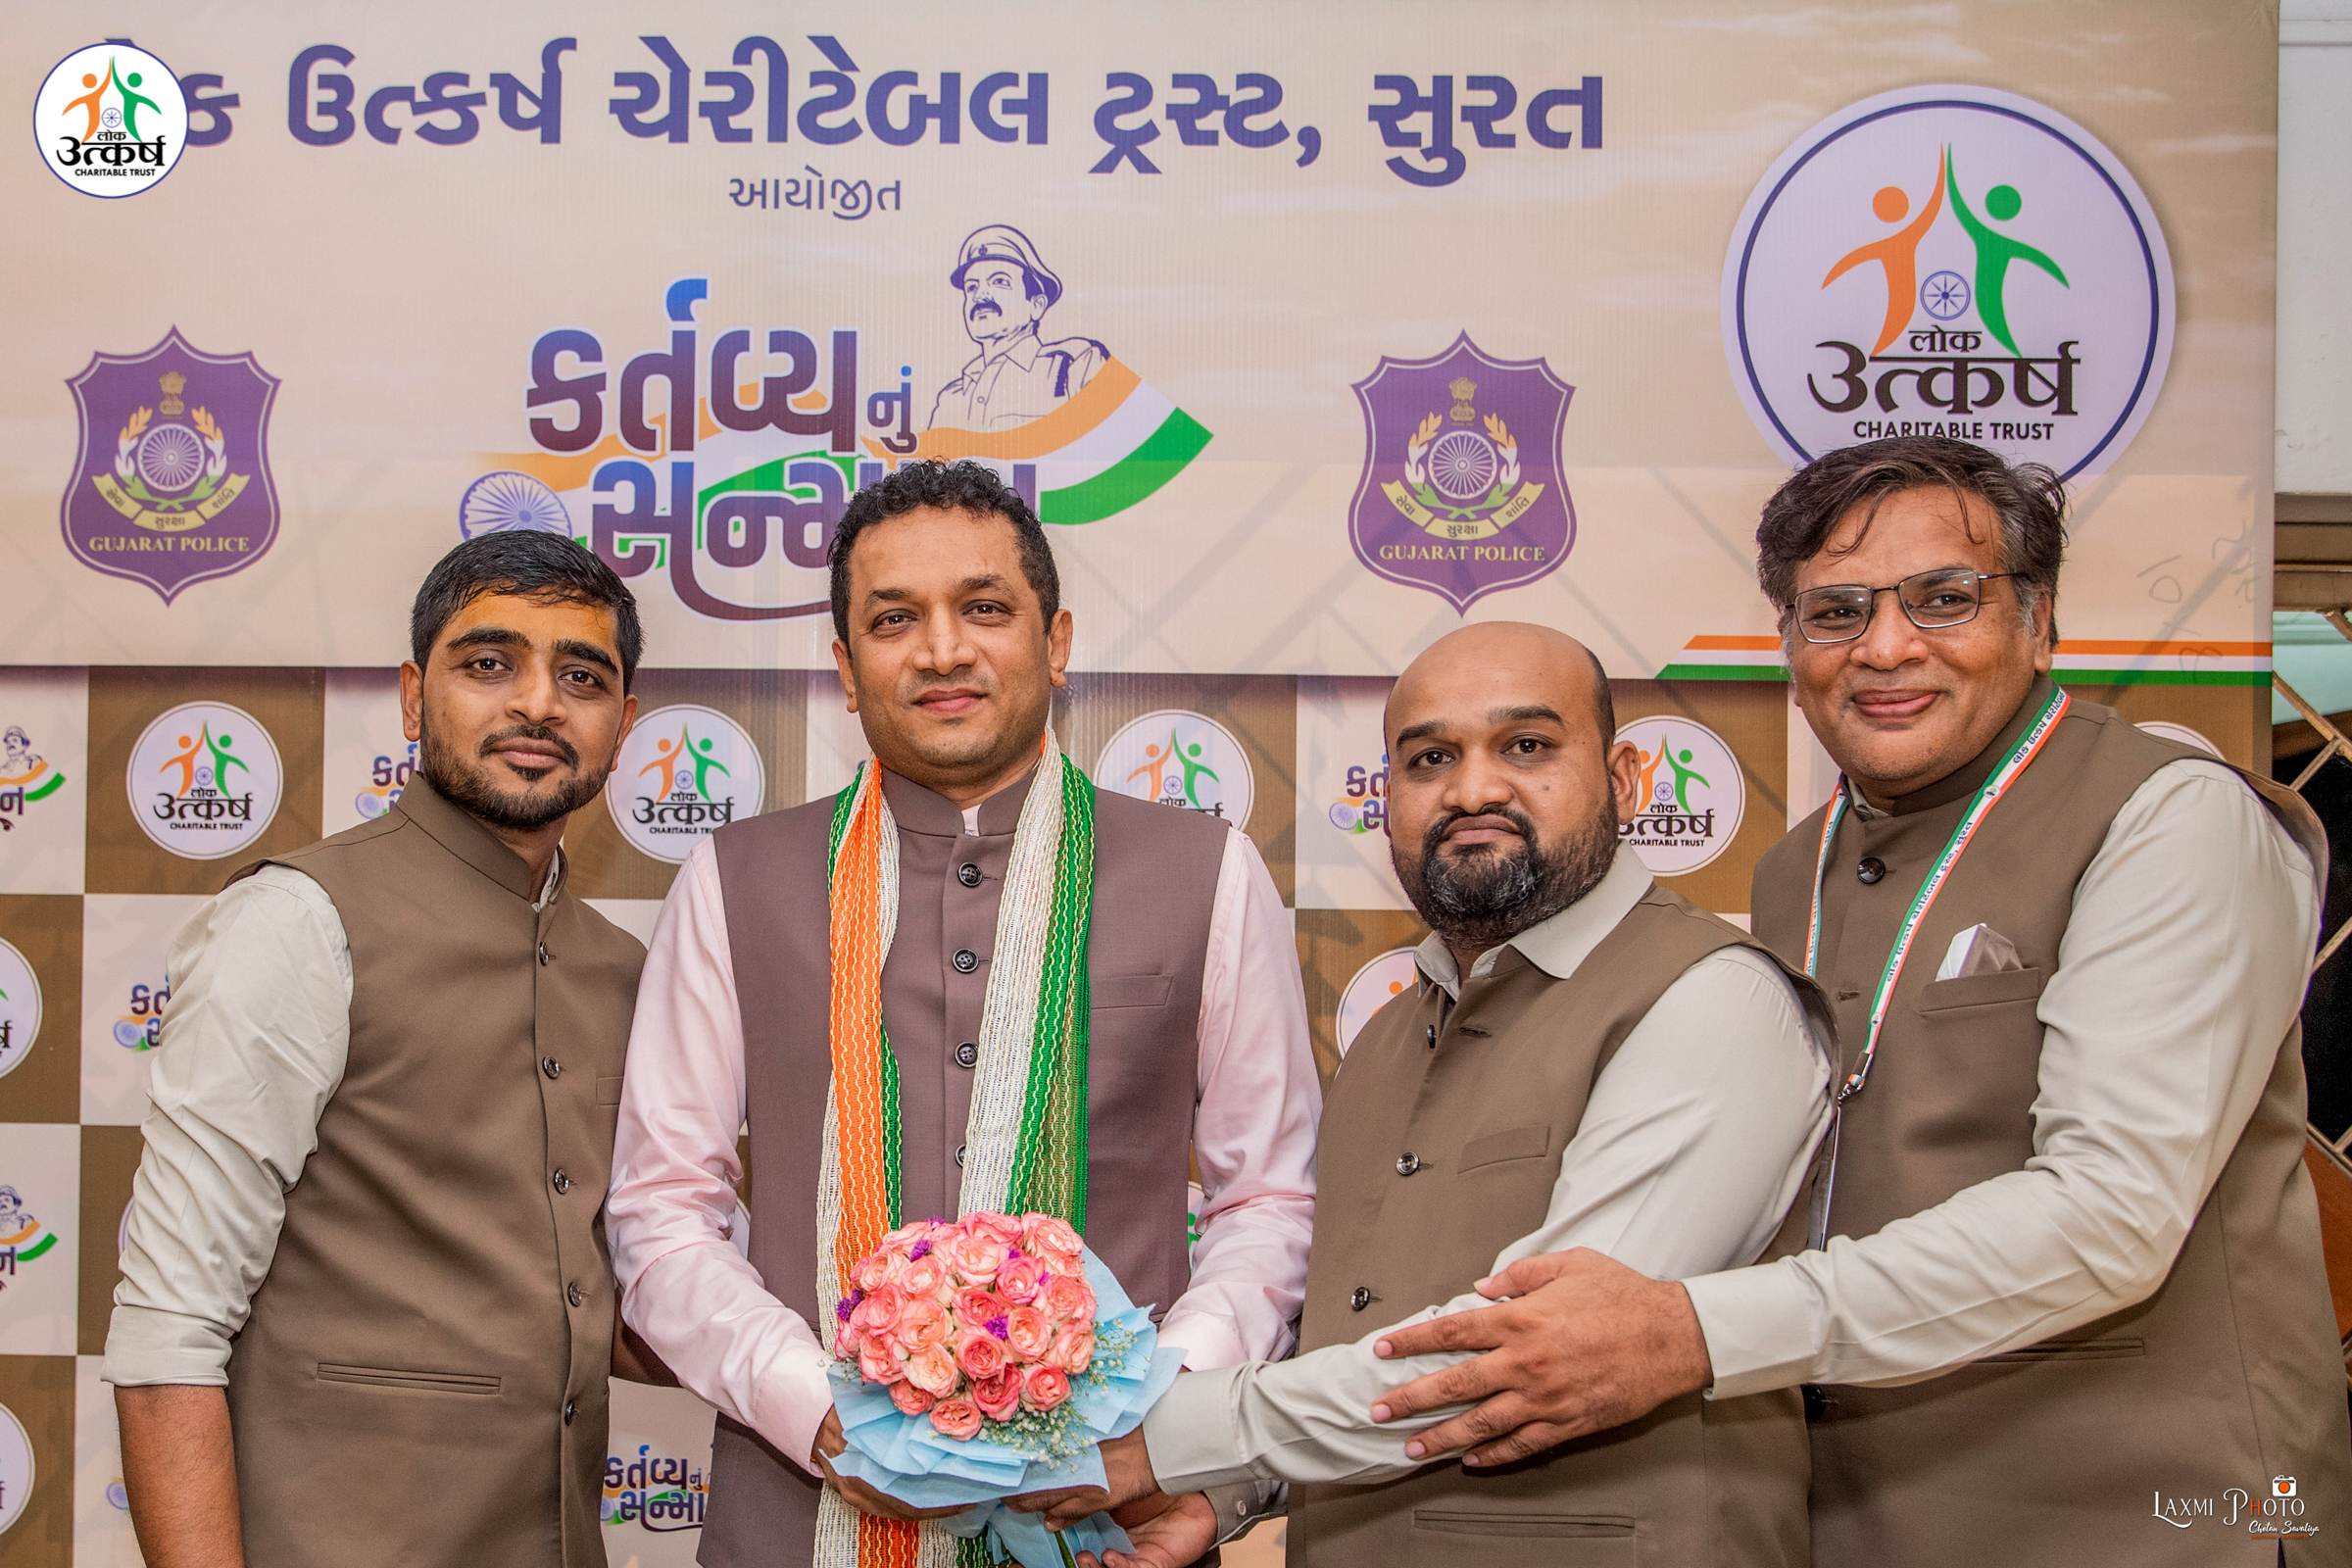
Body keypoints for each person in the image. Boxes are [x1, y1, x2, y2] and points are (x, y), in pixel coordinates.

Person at [1368, 436, 2352, 1565]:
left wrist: (1692, 1330)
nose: (1886, 646)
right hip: (1864, 1515)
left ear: (2039, 621)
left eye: (1944, 598)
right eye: (1836, 611)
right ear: (1790, 645)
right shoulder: (1796, 866)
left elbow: (2112, 1213)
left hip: (2162, 1516)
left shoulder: (2174, 818)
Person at [605, 459, 1319, 1568]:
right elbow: (661, 1208)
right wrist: (814, 1408)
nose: (942, 650)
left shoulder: (1206, 871)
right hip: (795, 1518)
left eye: (984, 607)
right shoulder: (737, 879)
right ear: (846, 668)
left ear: (1057, 640)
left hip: (1111, 1524)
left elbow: (1267, 1198)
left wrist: (1154, 1418)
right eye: (894, 619)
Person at [1073, 622, 1834, 1567]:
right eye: (1431, 757)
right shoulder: (1390, 1039)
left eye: (1527, 745)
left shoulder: (1712, 1000)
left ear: (1627, 779)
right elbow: (1356, 1336)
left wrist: (1160, 1435)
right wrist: (1227, 1491)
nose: (1473, 790)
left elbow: (1527, 1358)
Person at [105, 531, 663, 1568]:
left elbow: (607, 1298)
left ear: (623, 727)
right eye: (489, 663)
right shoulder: (297, 921)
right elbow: (169, 1329)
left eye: (581, 677)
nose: (538, 704)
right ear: (413, 699)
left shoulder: (625, 970)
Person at [929, 224, 1109, 432]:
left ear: (1036, 305)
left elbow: (1123, 444)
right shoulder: (951, 398)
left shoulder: (1074, 365)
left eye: (999, 281)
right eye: (971, 287)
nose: (979, 296)